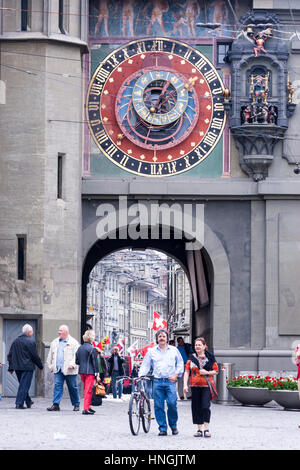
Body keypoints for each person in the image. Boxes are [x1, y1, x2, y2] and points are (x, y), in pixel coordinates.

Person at [138, 329, 184, 436]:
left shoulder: (174, 350)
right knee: (158, 406)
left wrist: (176, 375)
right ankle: (162, 428)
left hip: (170, 381)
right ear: (157, 339)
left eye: (164, 336)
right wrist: (140, 376)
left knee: (172, 404)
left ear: (167, 338)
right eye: (160, 337)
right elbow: (145, 365)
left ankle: (173, 426)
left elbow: (180, 363)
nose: (162, 338)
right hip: (157, 381)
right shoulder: (152, 351)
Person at [184, 337, 218, 438]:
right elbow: (186, 372)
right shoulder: (191, 358)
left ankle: (206, 429)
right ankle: (199, 429)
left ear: (204, 346)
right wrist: (185, 385)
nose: (197, 347)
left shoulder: (210, 358)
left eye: (199, 345)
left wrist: (207, 372)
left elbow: (216, 371)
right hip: (194, 386)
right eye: (196, 345)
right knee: (196, 407)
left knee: (205, 406)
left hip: (206, 385)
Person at [7, 324, 43, 409]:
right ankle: (19, 403)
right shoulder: (30, 342)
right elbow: (35, 356)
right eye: (32, 331)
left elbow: (10, 355)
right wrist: (40, 366)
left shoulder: (15, 341)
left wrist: (11, 367)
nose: (32, 333)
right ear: (29, 332)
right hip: (27, 367)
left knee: (23, 384)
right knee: (24, 385)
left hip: (17, 367)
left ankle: (28, 401)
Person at [46, 324, 80, 411]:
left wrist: (73, 364)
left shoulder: (74, 343)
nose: (58, 332)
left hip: (70, 370)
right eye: (59, 330)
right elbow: (50, 355)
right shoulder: (55, 342)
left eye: (60, 331)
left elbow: (77, 356)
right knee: (57, 386)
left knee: (73, 387)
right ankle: (56, 404)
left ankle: (76, 404)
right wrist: (50, 366)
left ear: (66, 332)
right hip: (58, 369)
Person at [75, 330, 100, 415]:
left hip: (82, 371)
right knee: (88, 390)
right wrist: (97, 374)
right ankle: (86, 408)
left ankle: (88, 406)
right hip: (90, 372)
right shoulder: (92, 348)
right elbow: (95, 362)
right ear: (92, 338)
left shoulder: (80, 348)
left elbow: (77, 361)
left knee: (87, 389)